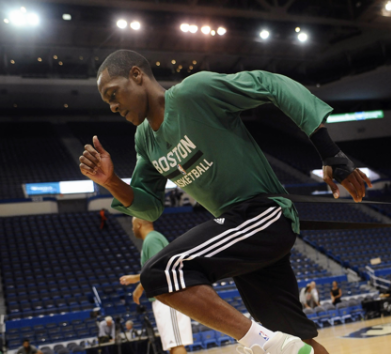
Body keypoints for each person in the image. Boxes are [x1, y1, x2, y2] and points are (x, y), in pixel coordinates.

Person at [79, 50, 371, 354]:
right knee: (298, 342)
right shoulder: (145, 139)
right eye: (107, 102)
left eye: (114, 94)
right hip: (241, 231)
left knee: (162, 273)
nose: (113, 106)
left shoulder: (194, 92)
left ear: (137, 76)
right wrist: (111, 182)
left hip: (264, 212)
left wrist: (330, 152)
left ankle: (260, 343)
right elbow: (149, 206)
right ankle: (272, 342)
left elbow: (272, 84)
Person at [120, 218, 193, 354]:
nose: (132, 229)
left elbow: (158, 270)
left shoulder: (151, 240)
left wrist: (138, 288)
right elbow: (155, 269)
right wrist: (136, 278)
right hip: (166, 298)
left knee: (176, 344)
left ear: (139, 224)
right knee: (174, 345)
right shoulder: (152, 239)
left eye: (132, 225)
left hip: (168, 297)